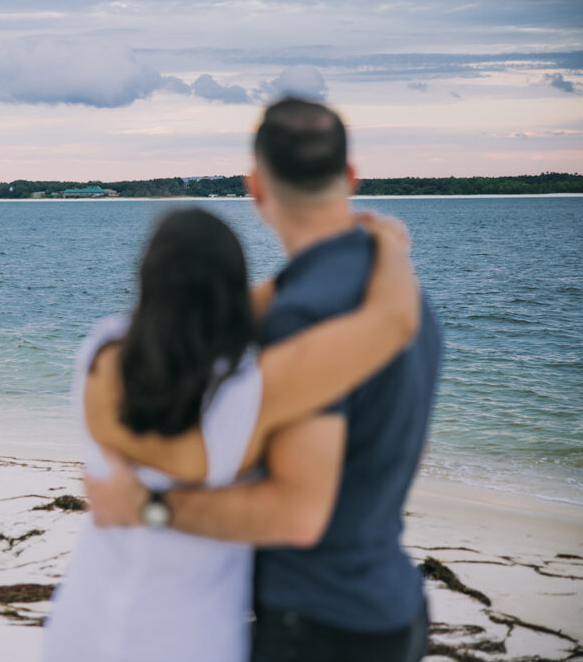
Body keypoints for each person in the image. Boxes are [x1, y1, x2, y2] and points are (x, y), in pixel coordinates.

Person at [85, 98, 442, 662]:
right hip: (394, 602)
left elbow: (297, 515)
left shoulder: (300, 321)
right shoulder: (399, 294)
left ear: (255, 187)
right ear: (350, 177)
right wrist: (385, 246)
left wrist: (153, 508)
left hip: (322, 621)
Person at [41, 204, 420, 662]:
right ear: (233, 289)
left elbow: (200, 313)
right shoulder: (249, 397)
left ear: (146, 278)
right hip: (191, 643)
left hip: (84, 628)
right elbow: (395, 322)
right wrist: (387, 246)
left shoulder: (100, 354)